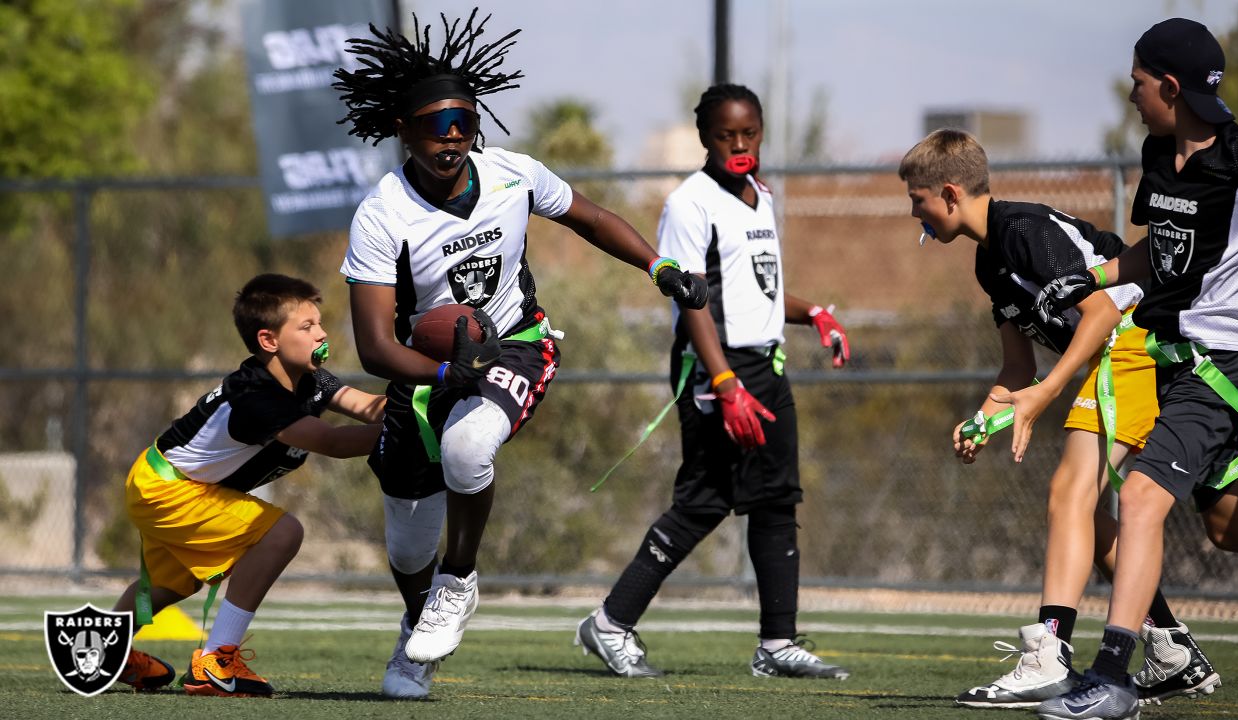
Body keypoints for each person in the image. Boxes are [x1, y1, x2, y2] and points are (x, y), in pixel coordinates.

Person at [332, 9, 709, 699]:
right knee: (407, 545)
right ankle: (418, 632)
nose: (451, 139)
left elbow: (591, 217)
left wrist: (660, 268)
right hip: (426, 375)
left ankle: (460, 580)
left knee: (469, 449)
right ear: (402, 130)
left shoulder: (512, 174)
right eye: (434, 126)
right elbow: (376, 345)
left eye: (464, 124)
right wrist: (448, 369)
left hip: (516, 345)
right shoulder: (382, 213)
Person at [898, 128, 1231, 710]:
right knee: (1225, 525)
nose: (914, 213)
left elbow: (1101, 311)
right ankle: (1171, 648)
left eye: (917, 199)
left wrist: (1050, 390)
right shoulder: (988, 263)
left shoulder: (1023, 230)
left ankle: (1049, 655)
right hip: (1115, 355)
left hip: (1137, 343)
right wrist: (982, 421)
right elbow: (1016, 366)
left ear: (949, 193)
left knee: (1068, 494)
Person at [1031, 18, 1238, 720]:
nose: (1131, 94)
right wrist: (1096, 278)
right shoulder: (1156, 154)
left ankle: (1111, 677)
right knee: (1232, 529)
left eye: (1138, 83)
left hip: (1219, 371)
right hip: (1174, 366)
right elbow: (1159, 253)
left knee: (1139, 499)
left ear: (1169, 86)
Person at [575, 83, 850, 681]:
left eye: (749, 133)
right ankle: (610, 623)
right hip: (716, 368)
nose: (740, 144)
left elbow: (759, 291)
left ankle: (777, 643)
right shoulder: (689, 203)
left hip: (766, 366)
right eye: (726, 135)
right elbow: (693, 300)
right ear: (705, 137)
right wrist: (724, 382)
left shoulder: (760, 195)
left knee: (777, 500)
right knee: (704, 500)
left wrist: (816, 314)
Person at [107, 273, 386, 697]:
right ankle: (217, 661)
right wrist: (406, 433)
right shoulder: (259, 397)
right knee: (283, 532)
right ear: (269, 340)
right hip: (170, 489)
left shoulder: (309, 379)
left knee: (173, 583)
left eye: (320, 323)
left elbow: (367, 407)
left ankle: (107, 651)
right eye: (307, 326)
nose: (322, 333)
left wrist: (428, 393)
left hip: (166, 480)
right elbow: (332, 442)